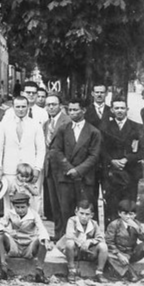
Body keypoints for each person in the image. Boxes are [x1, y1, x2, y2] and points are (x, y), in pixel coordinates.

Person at [48, 97, 101, 237]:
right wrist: (68, 167)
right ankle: (65, 240)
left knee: (84, 209)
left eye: (75, 110)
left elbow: (94, 156)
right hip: (65, 177)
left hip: (84, 178)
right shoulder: (62, 129)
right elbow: (55, 150)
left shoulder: (93, 131)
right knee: (65, 209)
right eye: (70, 110)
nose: (72, 113)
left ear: (83, 110)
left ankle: (87, 239)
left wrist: (78, 170)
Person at [100, 98, 143, 223]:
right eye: (117, 108)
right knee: (111, 205)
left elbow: (142, 150)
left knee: (129, 205)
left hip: (130, 172)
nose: (119, 111)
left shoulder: (137, 127)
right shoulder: (104, 128)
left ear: (127, 110)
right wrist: (111, 160)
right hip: (111, 172)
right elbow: (101, 149)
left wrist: (126, 159)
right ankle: (111, 236)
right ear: (112, 110)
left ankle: (129, 236)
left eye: (122, 108)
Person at [0, 95, 46, 211]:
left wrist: (37, 168)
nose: (20, 109)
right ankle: (10, 226)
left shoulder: (35, 124)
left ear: (28, 108)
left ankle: (31, 225)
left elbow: (41, 148)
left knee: (32, 200)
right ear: (13, 108)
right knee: (9, 199)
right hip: (9, 169)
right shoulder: (5, 124)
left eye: (23, 107)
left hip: (29, 169)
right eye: (18, 107)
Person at [0, 192, 51, 282]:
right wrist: (7, 231)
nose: (20, 210)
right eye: (18, 207)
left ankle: (39, 272)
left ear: (28, 206)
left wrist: (46, 239)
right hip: (14, 245)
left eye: (23, 207)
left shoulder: (34, 214)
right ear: (14, 207)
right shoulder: (10, 213)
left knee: (42, 240)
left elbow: (41, 228)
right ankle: (3, 268)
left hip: (29, 245)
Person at [63, 200, 108, 283]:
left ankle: (99, 272)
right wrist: (81, 244)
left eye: (87, 214)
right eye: (81, 213)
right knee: (69, 243)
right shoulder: (72, 221)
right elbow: (70, 235)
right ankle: (72, 270)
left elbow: (101, 237)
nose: (84, 217)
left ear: (92, 215)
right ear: (76, 212)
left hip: (88, 252)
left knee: (103, 246)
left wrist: (90, 241)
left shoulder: (94, 224)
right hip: (75, 251)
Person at [105, 200, 144, 282]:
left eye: (131, 214)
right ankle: (129, 272)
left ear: (135, 214)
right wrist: (119, 254)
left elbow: (143, 238)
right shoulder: (114, 224)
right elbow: (109, 242)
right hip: (118, 253)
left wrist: (138, 229)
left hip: (131, 252)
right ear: (119, 213)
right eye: (125, 213)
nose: (128, 217)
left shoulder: (136, 224)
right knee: (107, 254)